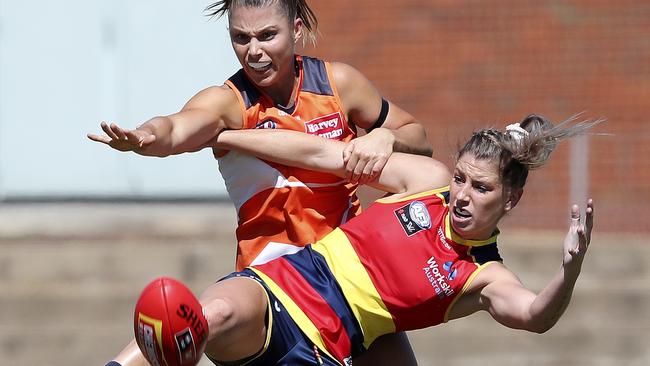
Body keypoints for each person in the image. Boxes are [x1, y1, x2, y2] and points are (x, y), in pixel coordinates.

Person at [108, 113, 600, 366]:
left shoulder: (484, 276)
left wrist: (569, 272)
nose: (464, 196)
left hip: (326, 345)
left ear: (510, 200)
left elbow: (536, 316)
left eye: (483, 188)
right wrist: (227, 135)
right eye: (463, 180)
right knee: (206, 315)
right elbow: (322, 156)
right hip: (285, 283)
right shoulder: (426, 180)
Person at [90, 1, 431, 364]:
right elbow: (174, 128)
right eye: (241, 38)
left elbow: (419, 137)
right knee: (212, 315)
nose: (254, 52)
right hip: (270, 285)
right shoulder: (228, 104)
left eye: (268, 35)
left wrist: (387, 138)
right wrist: (145, 135)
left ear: (297, 30)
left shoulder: (339, 84)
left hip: (350, 281)